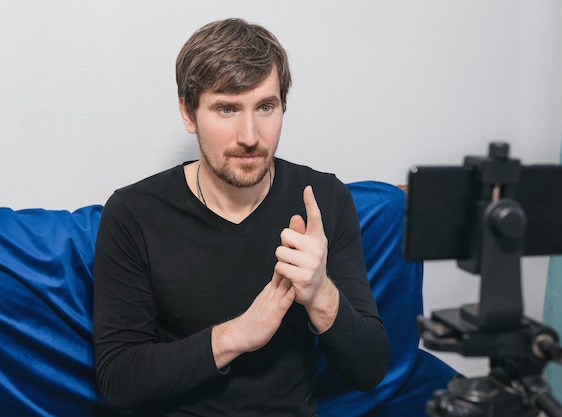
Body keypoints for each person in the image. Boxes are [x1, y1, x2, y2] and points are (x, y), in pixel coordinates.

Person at [92, 18, 390, 416]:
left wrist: (320, 293)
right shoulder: (133, 213)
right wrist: (238, 335)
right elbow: (118, 379)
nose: (250, 135)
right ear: (188, 113)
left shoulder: (322, 201)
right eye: (227, 108)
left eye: (265, 107)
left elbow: (370, 370)